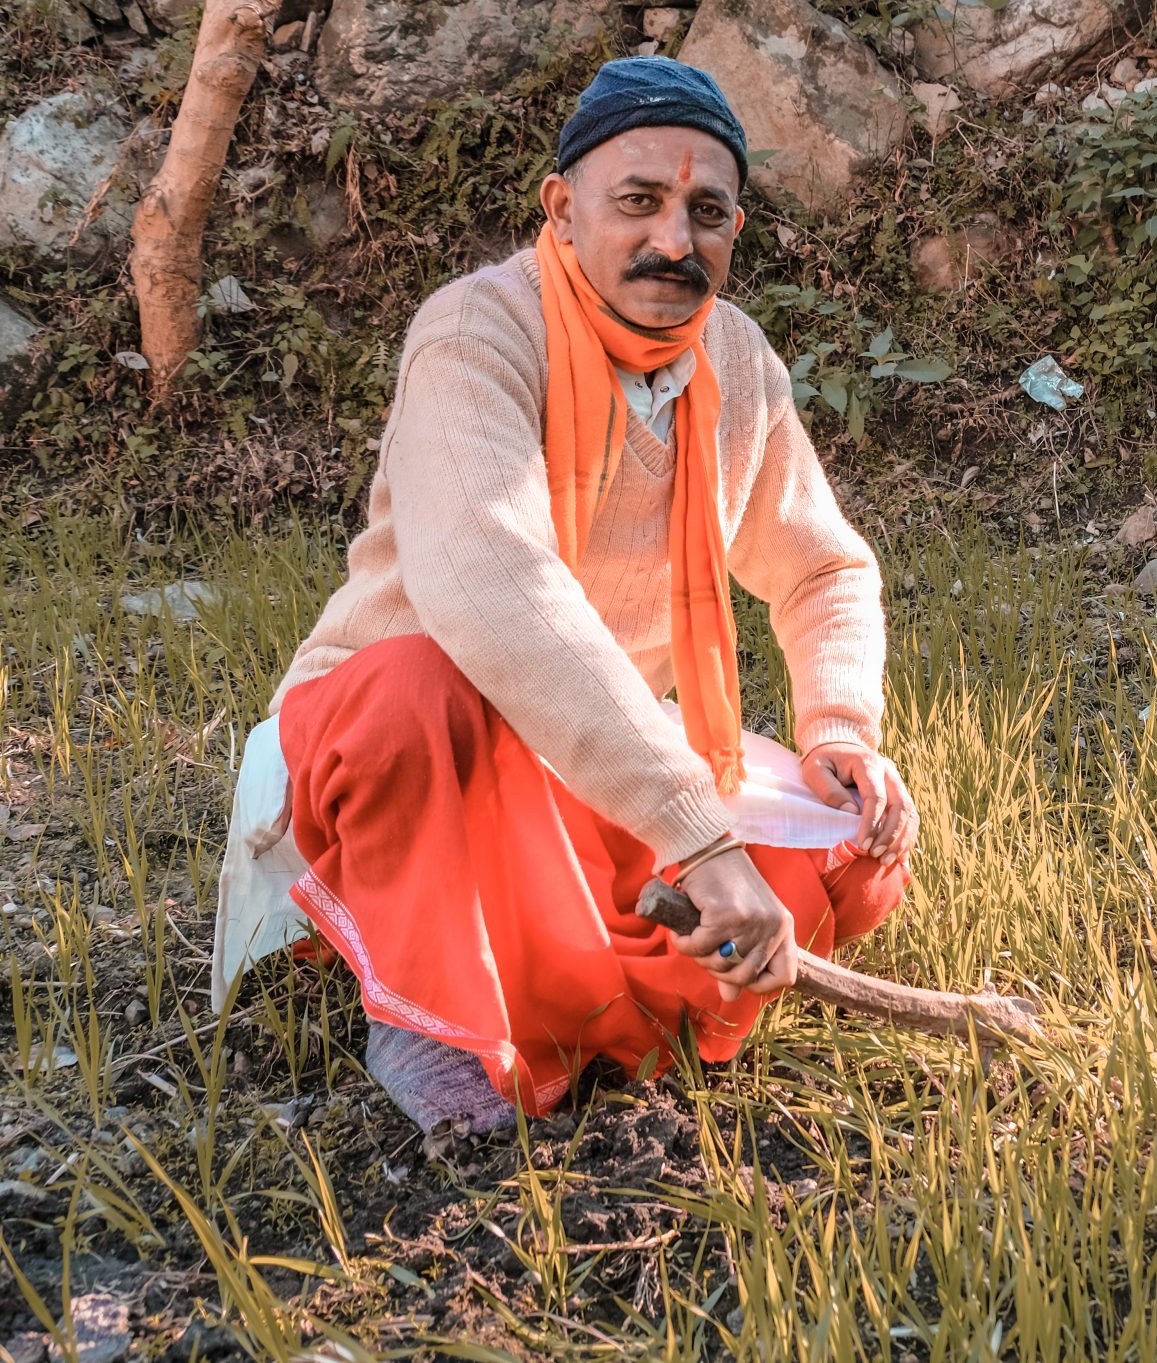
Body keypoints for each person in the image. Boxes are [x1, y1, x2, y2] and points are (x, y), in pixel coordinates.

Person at [208, 56, 918, 1139]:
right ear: (563, 208)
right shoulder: (476, 333)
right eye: (639, 201)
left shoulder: (735, 357)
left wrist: (838, 727)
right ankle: (438, 1016)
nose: (675, 241)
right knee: (417, 688)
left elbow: (823, 565)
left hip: (592, 749)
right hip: (412, 746)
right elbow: (493, 585)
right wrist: (697, 837)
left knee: (849, 846)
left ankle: (566, 964)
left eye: (707, 211)